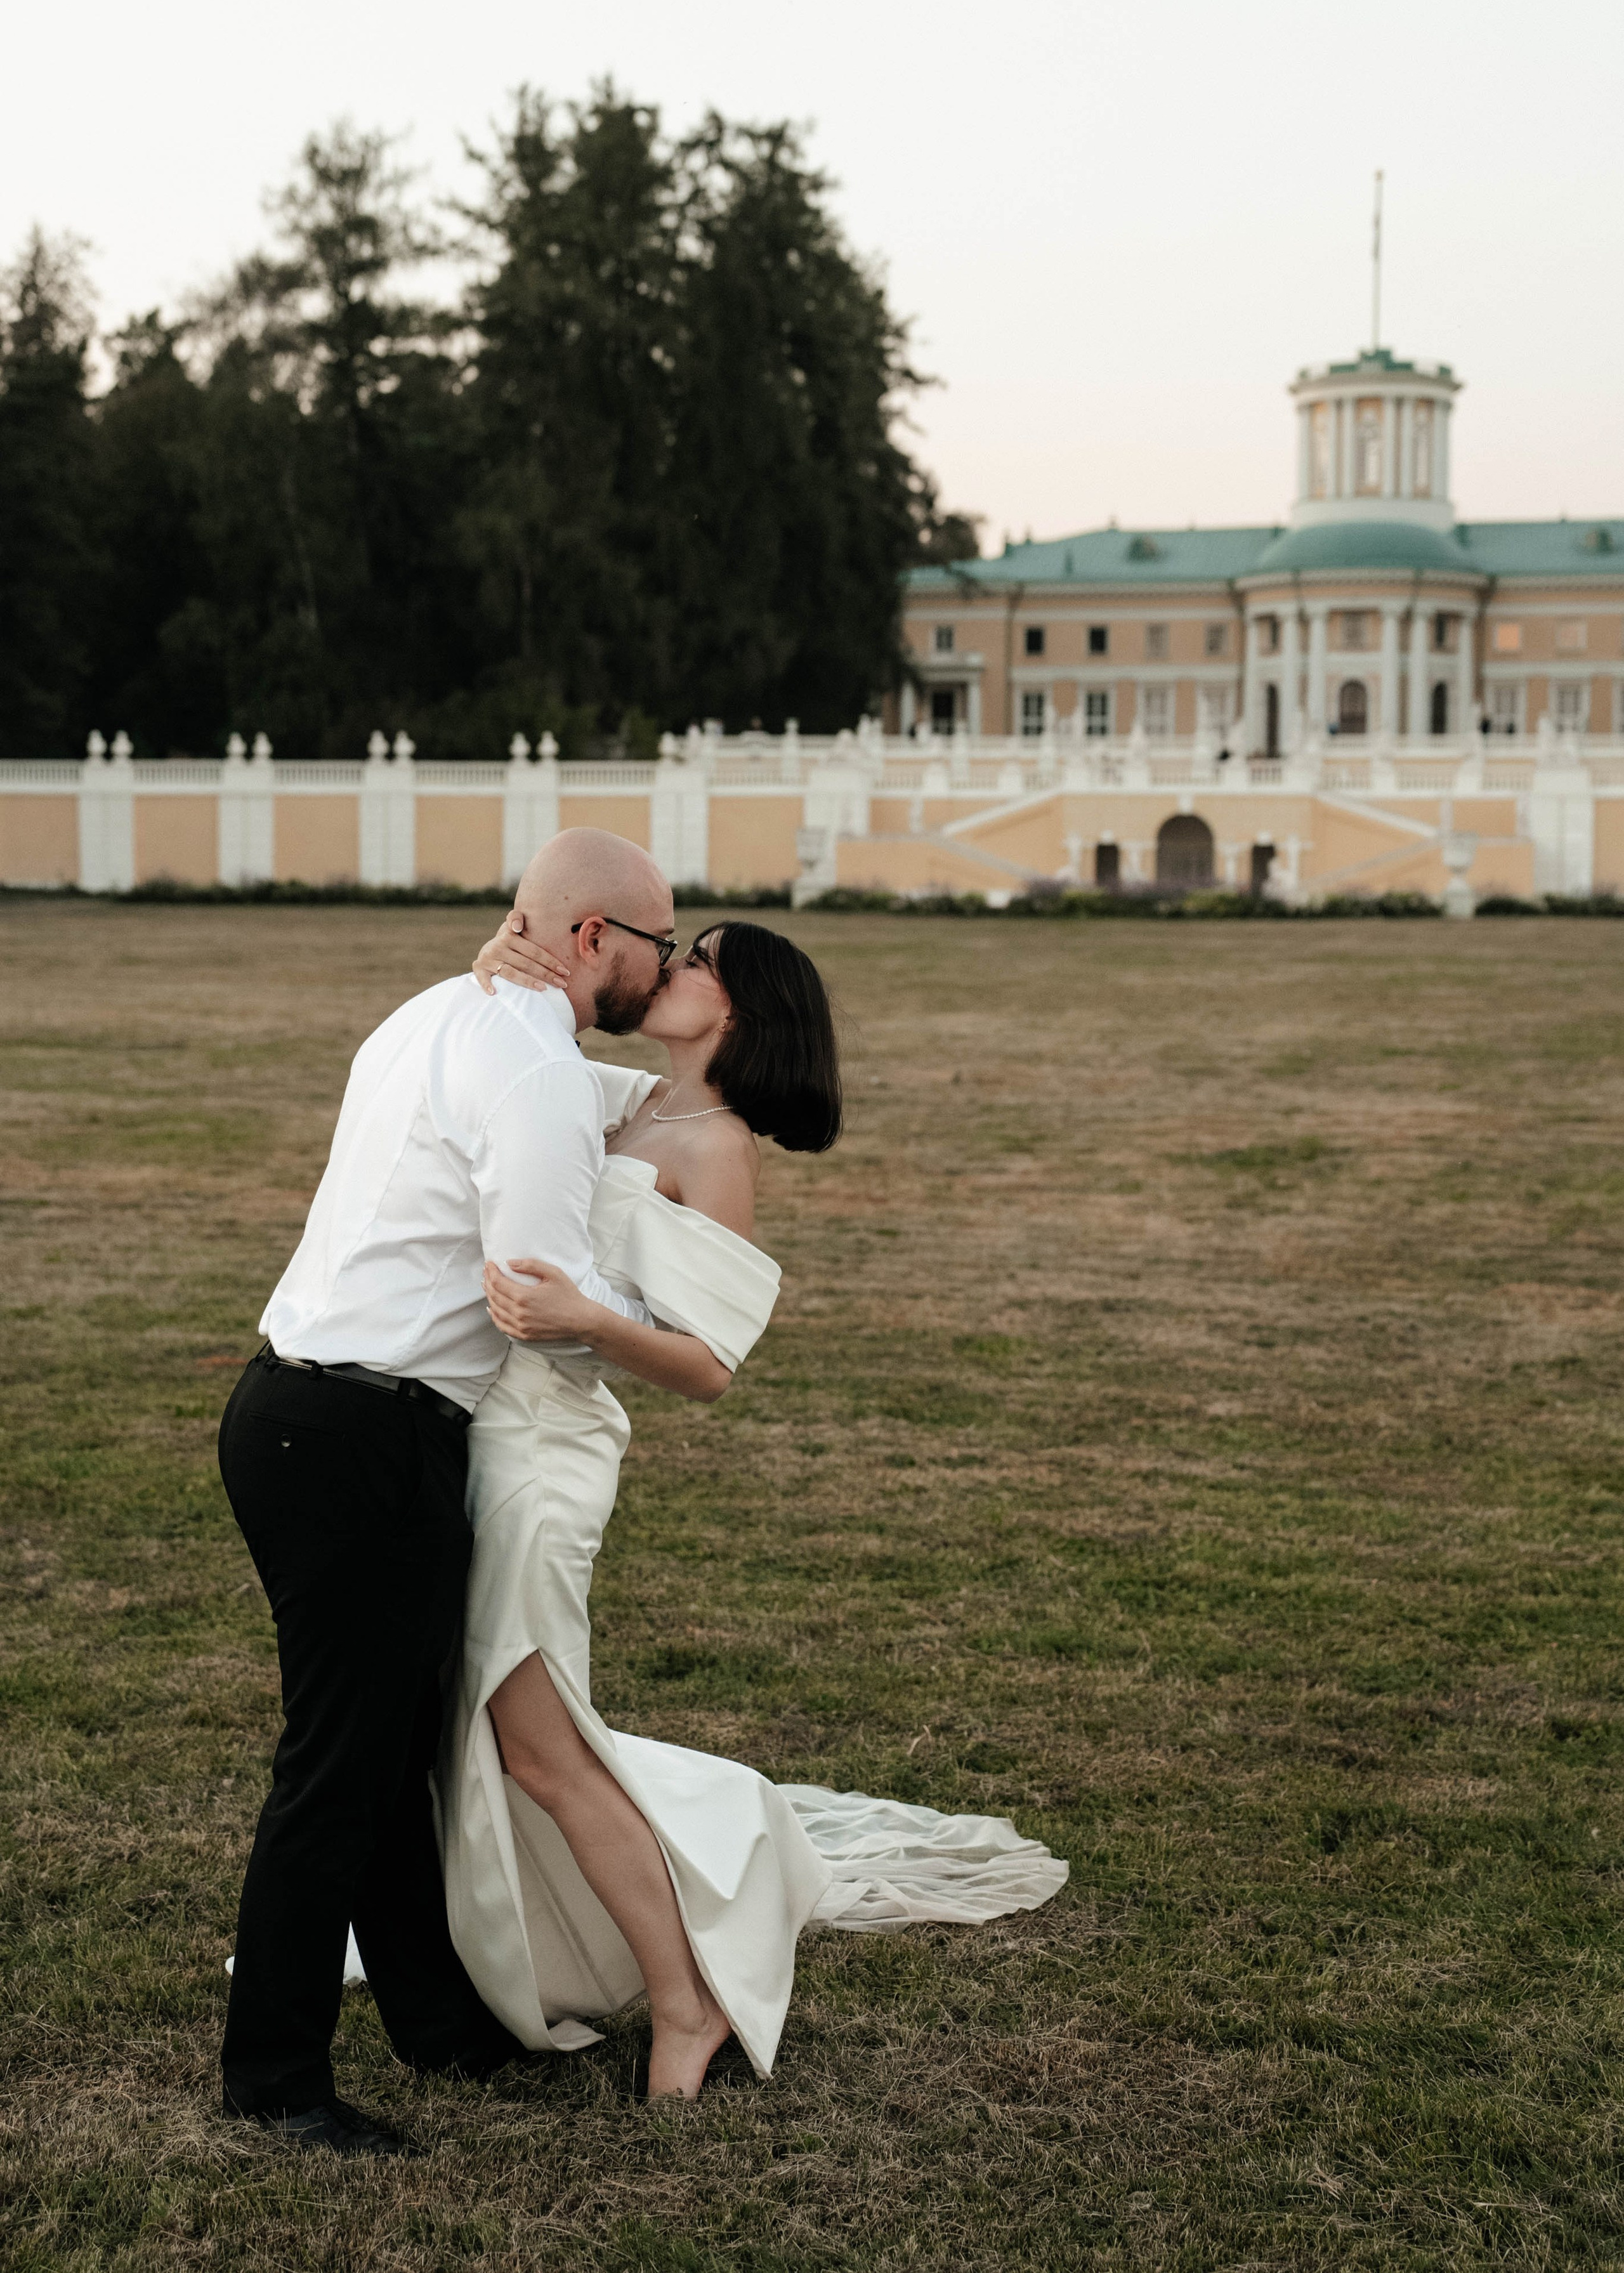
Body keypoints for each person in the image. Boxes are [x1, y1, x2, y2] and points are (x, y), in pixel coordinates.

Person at [441, 910, 1068, 2100]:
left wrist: (590, 1323)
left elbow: (710, 1361)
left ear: (742, 1009)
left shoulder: (718, 1143)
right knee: (498, 1726)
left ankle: (691, 2002)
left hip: (550, 1454)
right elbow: (515, 1057)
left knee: (536, 1739)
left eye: (697, 961)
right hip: (484, 1427)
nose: (669, 966)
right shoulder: (631, 1102)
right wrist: (498, 961)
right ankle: (527, 1940)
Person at [216, 828, 678, 2156]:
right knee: (340, 1760)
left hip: (300, 1413)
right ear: (589, 938)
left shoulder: (442, 1011)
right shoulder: (529, 1063)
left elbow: (572, 1101)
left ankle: (435, 2021)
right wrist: (659, 1330)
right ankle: (274, 2076)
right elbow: (535, 1297)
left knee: (386, 1742)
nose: (664, 958)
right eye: (655, 938)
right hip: (363, 1435)